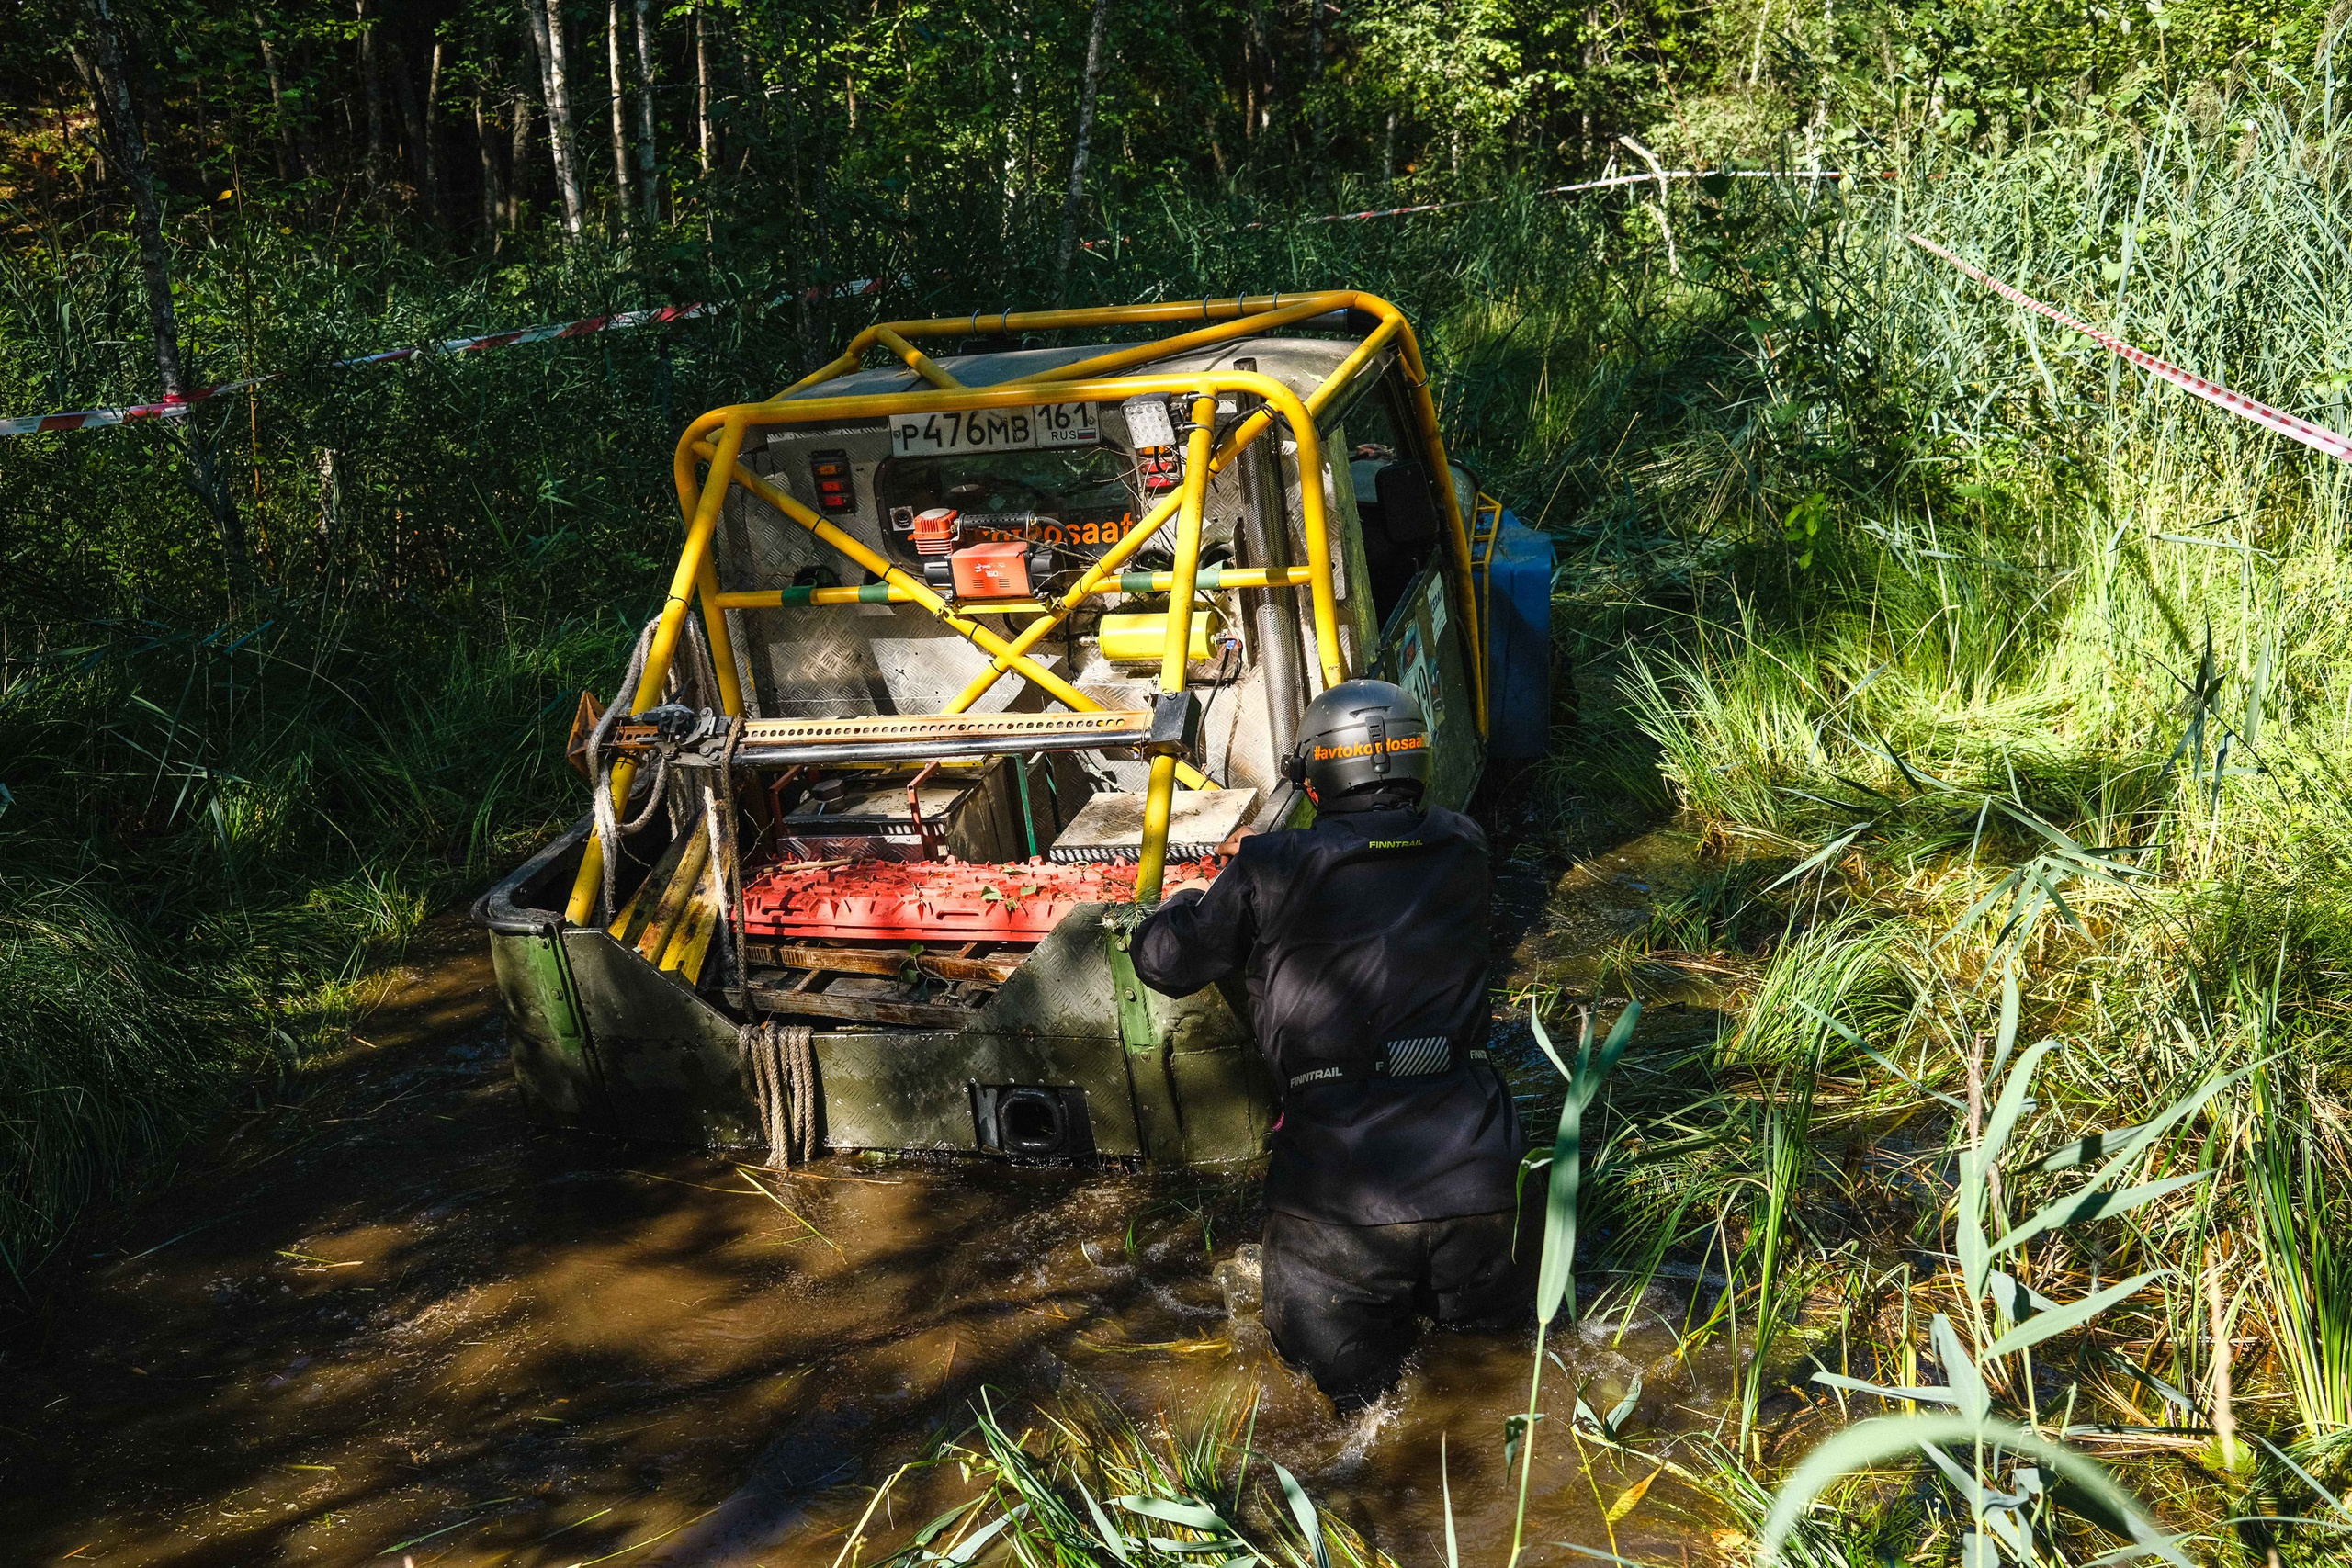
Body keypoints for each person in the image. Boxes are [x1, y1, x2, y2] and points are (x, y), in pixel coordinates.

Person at [1127, 678, 1524, 1410]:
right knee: (1493, 1388)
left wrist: (1181, 900)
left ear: (1313, 779)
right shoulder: (1467, 846)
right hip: (1479, 1177)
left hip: (1341, 1201)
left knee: (1346, 1416)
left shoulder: (1272, 867)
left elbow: (1167, 962)